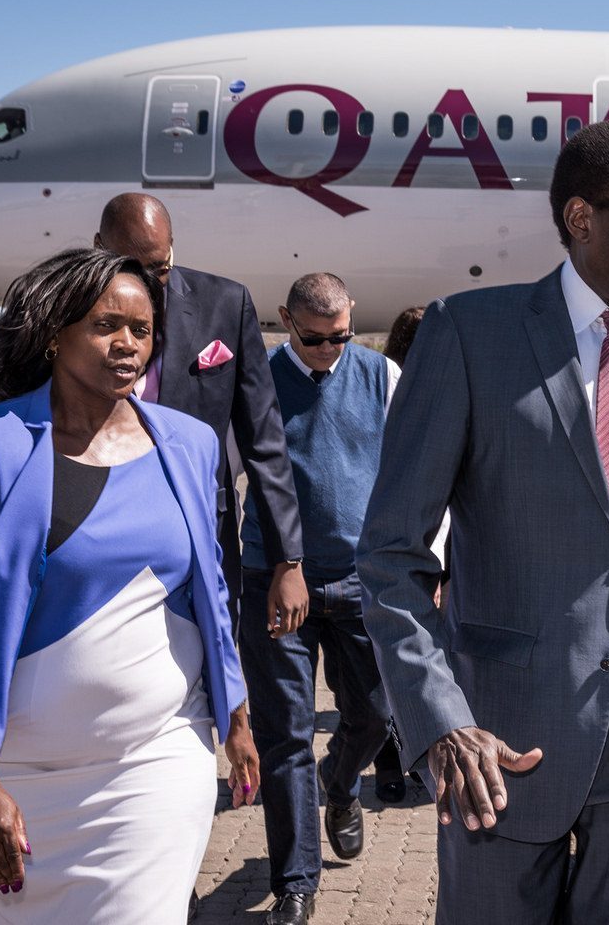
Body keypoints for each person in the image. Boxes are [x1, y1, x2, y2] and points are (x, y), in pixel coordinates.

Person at [358, 120, 609, 924]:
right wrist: (441, 722)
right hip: (499, 742)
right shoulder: (470, 336)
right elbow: (391, 556)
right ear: (581, 218)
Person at [0, 248, 258, 924]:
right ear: (55, 335)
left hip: (158, 755)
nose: (128, 343)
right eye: (106, 326)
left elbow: (211, 588)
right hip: (17, 774)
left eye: (142, 329)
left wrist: (237, 713)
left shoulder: (190, 443)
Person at [240, 274, 400, 925]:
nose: (330, 350)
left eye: (341, 337)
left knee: (378, 714)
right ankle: (296, 884)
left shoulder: (382, 376)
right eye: (314, 340)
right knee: (286, 737)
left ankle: (341, 785)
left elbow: (412, 470)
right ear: (285, 320)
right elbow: (226, 472)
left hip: (362, 579)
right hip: (275, 580)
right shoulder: (255, 381)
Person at [95, 194, 303, 630]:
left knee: (210, 662)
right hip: (96, 533)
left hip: (202, 535)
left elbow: (264, 438)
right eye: (130, 268)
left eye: (159, 267)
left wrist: (288, 560)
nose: (147, 284)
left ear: (172, 246)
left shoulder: (225, 303)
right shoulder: (67, 312)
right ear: (99, 247)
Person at [371, 302, 432, 805]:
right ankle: (397, 759)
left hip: (423, 549)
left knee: (402, 663)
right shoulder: (391, 393)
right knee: (399, 662)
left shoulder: (436, 393)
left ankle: (403, 759)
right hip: (405, 547)